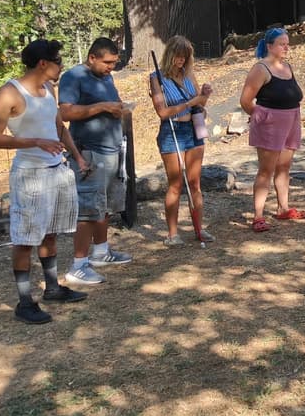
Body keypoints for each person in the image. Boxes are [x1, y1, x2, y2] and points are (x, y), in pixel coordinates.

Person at [0, 39, 90, 324]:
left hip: (56, 171)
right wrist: (35, 142)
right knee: (24, 239)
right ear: (43, 63)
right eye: (59, 62)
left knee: (51, 232)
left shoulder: (49, 89)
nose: (61, 67)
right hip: (29, 175)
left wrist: (77, 156)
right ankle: (24, 302)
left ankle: (52, 288)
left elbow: (58, 126)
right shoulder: (10, 93)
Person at [57, 38, 133, 285]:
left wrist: (119, 110)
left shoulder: (107, 77)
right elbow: (66, 112)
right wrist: (102, 107)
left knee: (105, 206)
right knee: (88, 210)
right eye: (108, 62)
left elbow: (111, 106)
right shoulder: (73, 77)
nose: (112, 67)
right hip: (89, 152)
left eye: (114, 62)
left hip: (112, 150)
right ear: (92, 58)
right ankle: (78, 266)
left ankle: (101, 251)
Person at [239, 27, 305, 233]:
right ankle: (258, 216)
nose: (287, 47)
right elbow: (245, 100)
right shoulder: (260, 69)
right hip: (270, 126)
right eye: (282, 44)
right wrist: (261, 116)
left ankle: (283, 208)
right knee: (266, 171)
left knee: (284, 167)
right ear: (270, 46)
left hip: (291, 122)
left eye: (287, 43)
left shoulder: (288, 67)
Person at [149, 36, 214, 246]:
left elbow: (199, 104)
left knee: (195, 183)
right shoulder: (157, 77)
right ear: (170, 55)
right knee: (175, 184)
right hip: (172, 129)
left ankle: (199, 229)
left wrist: (203, 95)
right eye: (178, 56)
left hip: (192, 129)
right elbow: (162, 112)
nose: (182, 61)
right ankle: (172, 234)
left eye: (185, 57)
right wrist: (190, 102)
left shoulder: (189, 75)